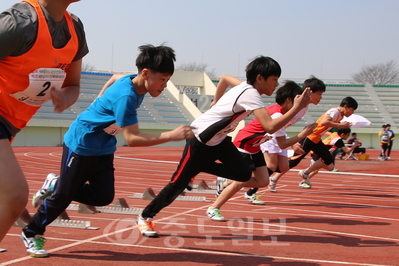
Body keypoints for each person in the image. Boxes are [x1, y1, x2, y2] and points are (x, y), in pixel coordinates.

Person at [20, 44, 194, 257]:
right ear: (146, 73)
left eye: (168, 80)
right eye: (163, 79)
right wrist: (172, 135)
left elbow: (113, 77)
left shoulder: (133, 79)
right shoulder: (127, 97)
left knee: (103, 196)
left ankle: (56, 183)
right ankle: (31, 232)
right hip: (82, 145)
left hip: (103, 147)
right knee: (63, 196)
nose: (165, 86)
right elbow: (132, 139)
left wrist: (99, 99)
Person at [135, 56, 311, 234]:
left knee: (242, 173)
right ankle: (145, 217)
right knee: (177, 184)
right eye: (274, 80)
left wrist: (216, 101)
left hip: (219, 140)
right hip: (200, 140)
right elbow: (270, 127)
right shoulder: (251, 94)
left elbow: (225, 78)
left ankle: (200, 167)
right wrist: (296, 108)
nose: (275, 85)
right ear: (259, 78)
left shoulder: (245, 87)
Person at [0, 0, 88, 243]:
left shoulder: (75, 28)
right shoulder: (19, 22)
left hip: (10, 123)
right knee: (15, 195)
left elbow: (73, 85)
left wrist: (64, 98)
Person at [209, 80, 315, 218]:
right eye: (299, 101)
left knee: (263, 181)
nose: (302, 105)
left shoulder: (283, 113)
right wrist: (301, 135)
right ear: (289, 100)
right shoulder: (277, 114)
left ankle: (226, 180)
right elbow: (282, 144)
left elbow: (281, 138)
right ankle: (213, 208)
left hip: (256, 146)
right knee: (241, 180)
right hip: (245, 144)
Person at [244, 76, 326, 196]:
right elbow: (277, 123)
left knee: (283, 167)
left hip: (279, 132)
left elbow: (283, 125)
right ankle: (246, 187)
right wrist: (292, 142)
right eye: (319, 94)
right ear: (309, 92)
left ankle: (246, 175)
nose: (321, 98)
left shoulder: (304, 107)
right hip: (270, 133)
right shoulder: (292, 106)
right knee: (271, 165)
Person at [270, 96, 358, 189]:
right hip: (309, 137)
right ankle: (274, 178)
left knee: (328, 159)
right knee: (293, 162)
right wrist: (340, 125)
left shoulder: (340, 115)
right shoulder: (335, 111)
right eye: (352, 110)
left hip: (316, 139)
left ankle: (306, 172)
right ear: (346, 106)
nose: (352, 113)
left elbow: (324, 126)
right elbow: (324, 122)